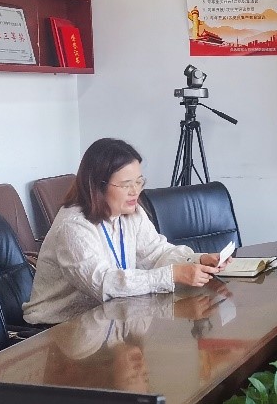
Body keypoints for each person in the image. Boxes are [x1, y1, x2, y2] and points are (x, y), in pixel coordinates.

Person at [23, 138, 228, 325]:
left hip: (106, 321)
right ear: (98, 186)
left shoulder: (130, 212)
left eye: (139, 182)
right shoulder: (73, 226)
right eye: (126, 185)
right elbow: (103, 284)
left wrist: (197, 261)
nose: (135, 191)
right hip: (55, 330)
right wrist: (171, 275)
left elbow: (156, 252)